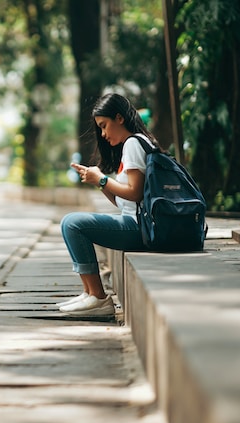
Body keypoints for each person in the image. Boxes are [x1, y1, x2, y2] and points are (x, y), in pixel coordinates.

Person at [58, 93, 159, 316]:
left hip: (139, 228)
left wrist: (103, 179)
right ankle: (89, 293)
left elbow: (135, 193)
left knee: (72, 223)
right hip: (136, 223)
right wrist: (99, 182)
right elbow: (123, 200)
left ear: (119, 118)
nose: (103, 134)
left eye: (104, 126)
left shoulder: (133, 143)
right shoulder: (136, 143)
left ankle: (98, 297)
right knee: (70, 223)